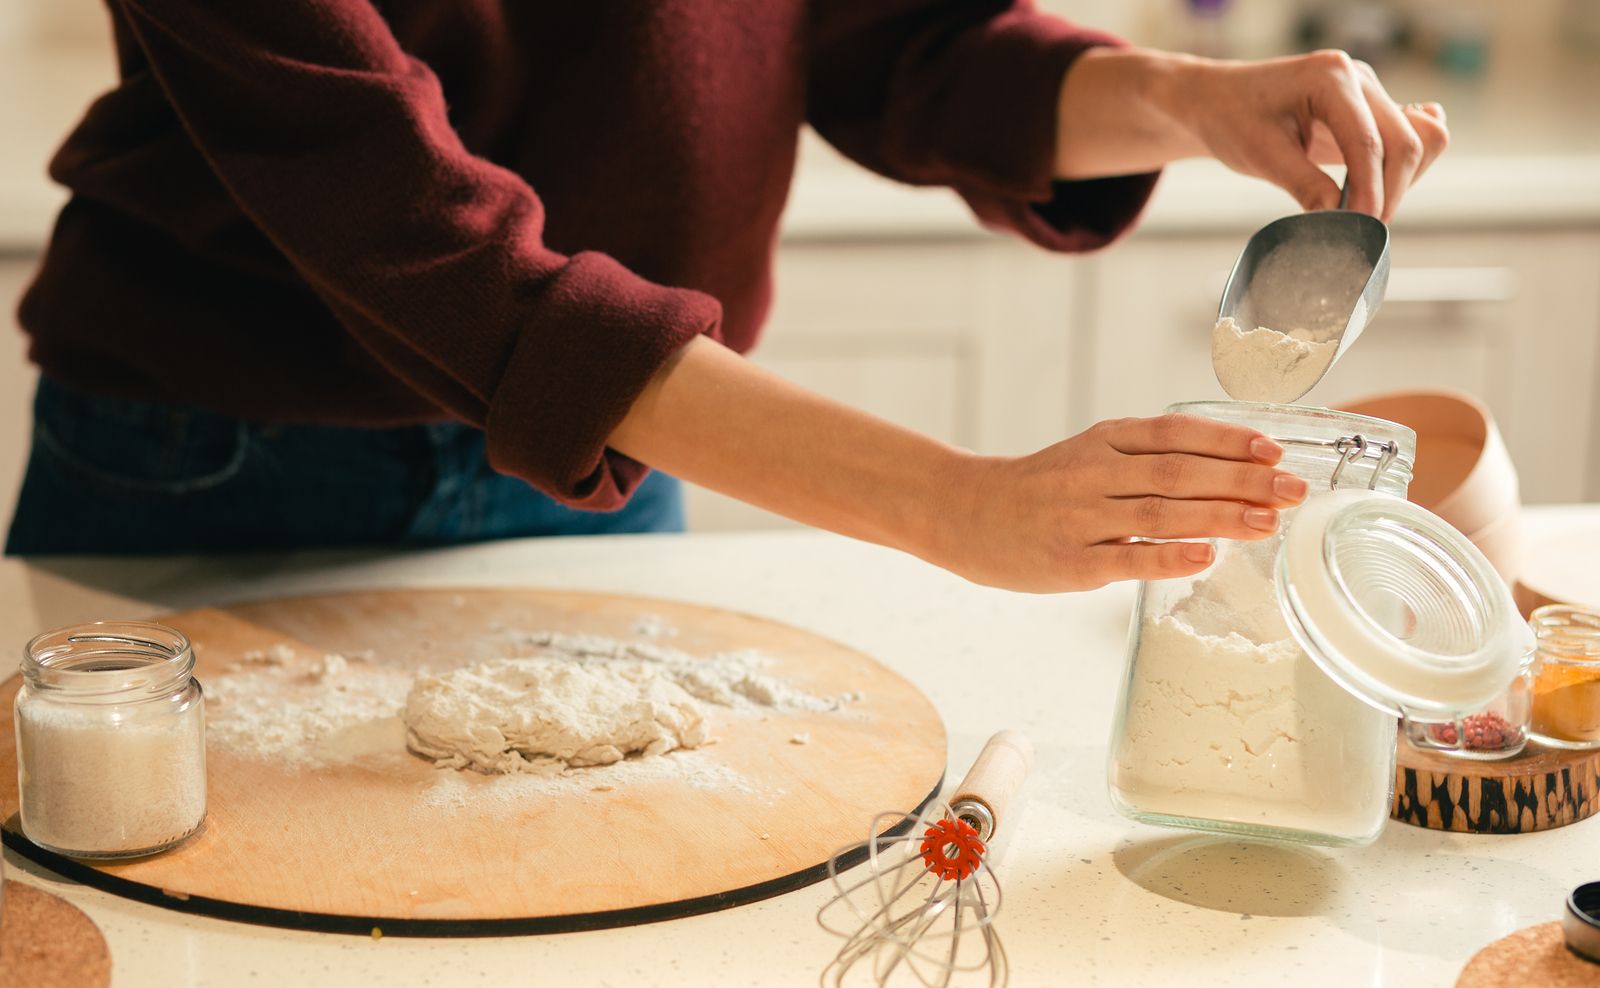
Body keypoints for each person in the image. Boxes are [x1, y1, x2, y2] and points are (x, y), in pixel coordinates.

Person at [5, 1, 1448, 594]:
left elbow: (895, 36)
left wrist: (1184, 100)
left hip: (626, 450)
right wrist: (951, 502)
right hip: (217, 460)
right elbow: (403, 218)